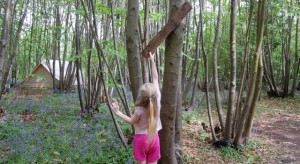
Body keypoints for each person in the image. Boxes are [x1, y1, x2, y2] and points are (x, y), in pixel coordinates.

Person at [111, 52, 162, 164]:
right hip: (155, 138)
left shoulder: (140, 108)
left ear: (141, 96)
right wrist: (152, 61)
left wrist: (118, 112)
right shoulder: (157, 99)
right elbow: (155, 78)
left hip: (141, 140)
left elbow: (131, 121)